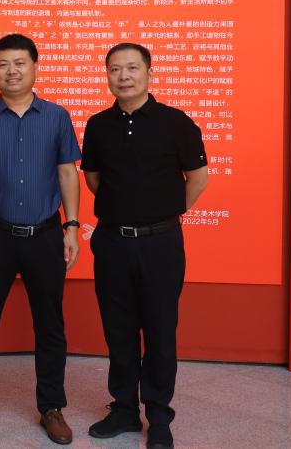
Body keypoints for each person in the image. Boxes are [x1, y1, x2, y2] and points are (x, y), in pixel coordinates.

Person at [0, 33, 81, 444]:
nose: (12, 71)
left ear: (35, 67)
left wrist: (72, 226)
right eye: (3, 64)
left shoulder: (57, 116)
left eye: (20, 63)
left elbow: (67, 172)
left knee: (50, 324)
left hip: (45, 233)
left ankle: (52, 407)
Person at [81, 43, 208, 449]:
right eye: (115, 69)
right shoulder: (98, 125)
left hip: (161, 243)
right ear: (107, 75)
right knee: (118, 330)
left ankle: (159, 415)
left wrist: (163, 213)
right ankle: (123, 409)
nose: (124, 76)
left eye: (132, 68)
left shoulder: (176, 123)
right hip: (112, 242)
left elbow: (198, 178)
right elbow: (94, 179)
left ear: (149, 73)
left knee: (159, 330)